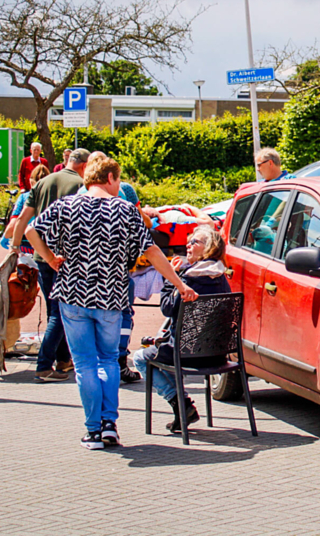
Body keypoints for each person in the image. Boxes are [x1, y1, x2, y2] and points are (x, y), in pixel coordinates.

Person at [25, 156, 198, 450]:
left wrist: (51, 258)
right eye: (118, 180)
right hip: (110, 296)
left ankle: (93, 430)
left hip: (73, 294)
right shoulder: (125, 210)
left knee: (84, 364)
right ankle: (109, 425)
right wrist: (180, 284)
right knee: (108, 360)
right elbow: (152, 251)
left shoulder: (65, 206)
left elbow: (30, 230)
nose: (119, 186)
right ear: (109, 178)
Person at [132, 225, 230, 434]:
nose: (188, 245)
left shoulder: (189, 279)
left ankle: (180, 403)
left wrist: (171, 278)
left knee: (140, 358)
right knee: (159, 347)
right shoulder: (222, 278)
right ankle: (183, 406)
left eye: (194, 242)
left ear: (209, 248)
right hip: (217, 355)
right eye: (188, 241)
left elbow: (167, 308)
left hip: (186, 354)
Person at [10, 148, 91, 382]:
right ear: (84, 166)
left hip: (41, 256)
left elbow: (23, 218)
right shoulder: (81, 185)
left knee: (54, 310)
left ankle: (63, 359)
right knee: (60, 312)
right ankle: (44, 365)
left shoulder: (43, 182)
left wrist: (15, 247)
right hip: (64, 258)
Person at [76, 151, 145, 384]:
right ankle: (119, 361)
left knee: (87, 323)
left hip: (83, 275)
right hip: (116, 273)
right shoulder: (124, 192)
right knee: (123, 315)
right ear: (110, 175)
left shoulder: (78, 195)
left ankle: (95, 368)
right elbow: (141, 227)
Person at [2, 164, 51, 254]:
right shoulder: (55, 197)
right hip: (48, 247)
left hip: (26, 247)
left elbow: (14, 225)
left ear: (31, 181)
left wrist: (5, 237)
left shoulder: (24, 197)